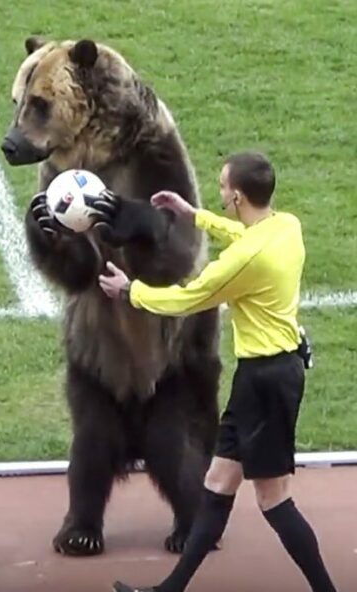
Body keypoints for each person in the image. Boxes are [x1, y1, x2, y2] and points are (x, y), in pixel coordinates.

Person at [95, 151, 336, 592]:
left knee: (273, 499)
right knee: (218, 481)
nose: (221, 191)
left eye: (223, 187)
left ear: (238, 195)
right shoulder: (288, 226)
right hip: (262, 377)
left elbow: (190, 299)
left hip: (268, 383)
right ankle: (169, 590)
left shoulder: (243, 263)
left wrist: (131, 292)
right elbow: (245, 233)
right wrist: (195, 216)